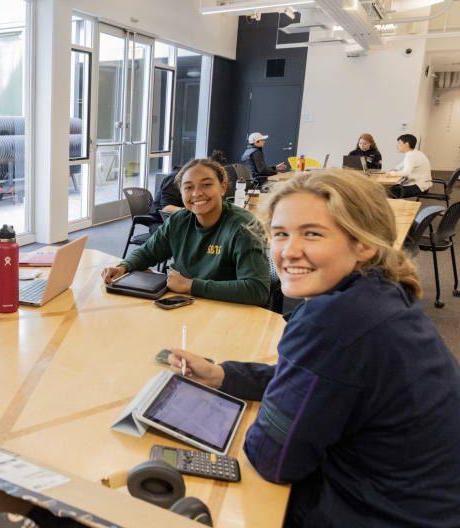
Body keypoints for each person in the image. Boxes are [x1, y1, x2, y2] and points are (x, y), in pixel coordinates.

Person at [168, 169, 460, 527]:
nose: (289, 251)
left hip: (373, 512)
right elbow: (320, 377)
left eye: (312, 234)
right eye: (280, 234)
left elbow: (271, 460)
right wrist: (225, 375)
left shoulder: (332, 322)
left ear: (364, 243)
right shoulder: (379, 294)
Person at [101, 158, 270, 307]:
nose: (197, 193)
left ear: (223, 187)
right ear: (181, 192)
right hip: (192, 304)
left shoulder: (244, 226)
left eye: (207, 184)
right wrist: (123, 267)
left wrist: (190, 285)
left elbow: (257, 290)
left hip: (230, 310)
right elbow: (148, 253)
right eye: (188, 187)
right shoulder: (178, 221)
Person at [387, 134, 432, 199]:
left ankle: (394, 208)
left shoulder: (411, 156)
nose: (397, 146)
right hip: (423, 186)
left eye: (399, 143)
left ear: (406, 144)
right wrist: (396, 169)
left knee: (387, 191)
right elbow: (401, 166)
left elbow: (406, 172)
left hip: (417, 187)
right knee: (389, 187)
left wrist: (391, 174)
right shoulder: (416, 153)